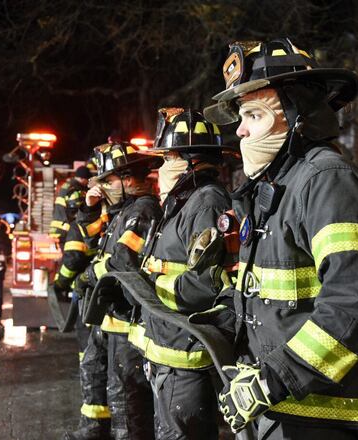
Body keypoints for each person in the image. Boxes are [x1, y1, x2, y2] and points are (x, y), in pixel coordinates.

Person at [203, 38, 358, 438]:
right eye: (242, 115)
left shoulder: (329, 181)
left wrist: (272, 380)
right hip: (281, 410)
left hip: (326, 417)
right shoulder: (279, 185)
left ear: (297, 114)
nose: (240, 129)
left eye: (253, 114)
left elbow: (355, 305)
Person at [128, 108, 236, 439]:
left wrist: (151, 286)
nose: (162, 167)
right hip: (169, 348)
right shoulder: (184, 202)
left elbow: (206, 284)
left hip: (186, 355)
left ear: (190, 159)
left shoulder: (207, 202)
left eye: (169, 157)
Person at [76, 142, 163, 440]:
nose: (104, 188)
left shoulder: (143, 209)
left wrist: (90, 274)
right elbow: (92, 244)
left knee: (125, 396)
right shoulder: (121, 212)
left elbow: (123, 260)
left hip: (127, 321)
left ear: (128, 179)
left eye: (109, 181)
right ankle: (94, 429)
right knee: (95, 372)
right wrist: (89, 208)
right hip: (110, 318)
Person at [61, 152, 113, 440]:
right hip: (96, 298)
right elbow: (88, 234)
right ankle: (95, 423)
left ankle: (98, 425)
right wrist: (90, 208)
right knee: (95, 361)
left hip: (102, 300)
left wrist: (69, 281)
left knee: (97, 362)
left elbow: (77, 253)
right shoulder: (106, 212)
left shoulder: (132, 213)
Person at [49, 166, 91, 243]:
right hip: (66, 229)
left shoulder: (67, 185)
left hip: (58, 227)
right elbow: (74, 209)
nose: (87, 183)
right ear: (83, 178)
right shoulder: (76, 188)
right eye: (87, 180)